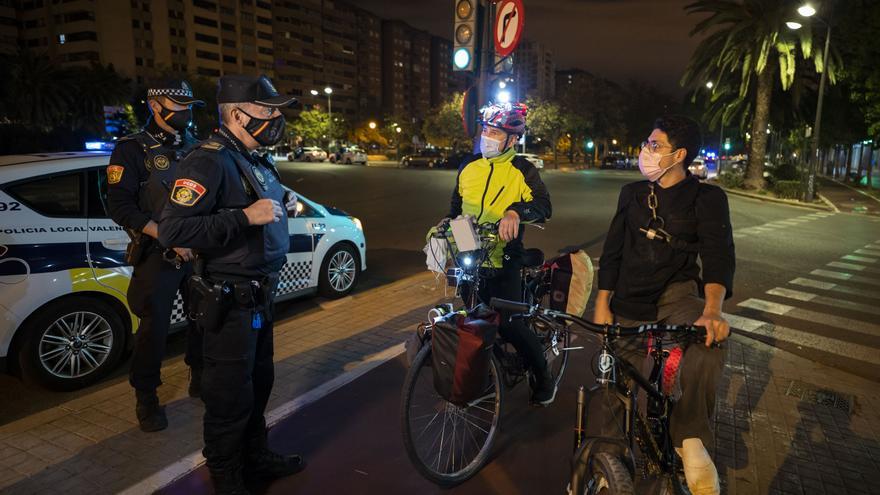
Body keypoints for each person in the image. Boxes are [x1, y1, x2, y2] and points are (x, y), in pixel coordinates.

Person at [158, 74, 303, 495]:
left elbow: (257, 200)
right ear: (237, 114)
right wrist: (245, 217)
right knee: (227, 400)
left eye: (278, 111)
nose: (277, 118)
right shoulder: (209, 160)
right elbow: (172, 231)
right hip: (230, 304)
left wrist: (281, 203)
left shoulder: (251, 157)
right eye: (268, 110)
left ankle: (255, 458)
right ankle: (227, 477)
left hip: (260, 297)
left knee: (259, 386)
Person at [593, 115, 734, 495]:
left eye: (655, 146)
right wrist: (602, 302)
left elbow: (719, 257)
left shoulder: (707, 198)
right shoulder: (632, 194)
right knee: (614, 380)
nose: (646, 152)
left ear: (680, 155)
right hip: (628, 299)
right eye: (647, 143)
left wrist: (713, 310)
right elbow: (612, 252)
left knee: (708, 346)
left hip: (678, 299)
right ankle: (609, 462)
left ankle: (689, 440)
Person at [439, 101, 557, 405]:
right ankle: (486, 374)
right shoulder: (469, 165)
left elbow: (544, 208)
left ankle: (544, 380)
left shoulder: (523, 170)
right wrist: (443, 233)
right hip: (470, 256)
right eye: (486, 130)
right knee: (473, 318)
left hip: (505, 259)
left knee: (509, 325)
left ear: (512, 139)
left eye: (495, 132)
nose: (487, 136)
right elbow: (456, 208)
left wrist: (515, 212)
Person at [106, 79, 205, 433]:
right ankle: (146, 396)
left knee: (203, 318)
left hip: (196, 251)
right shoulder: (131, 149)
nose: (185, 113)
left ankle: (200, 375)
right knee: (154, 329)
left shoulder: (196, 146)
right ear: (155, 106)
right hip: (157, 252)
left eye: (189, 107)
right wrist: (168, 236)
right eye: (178, 106)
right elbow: (120, 207)